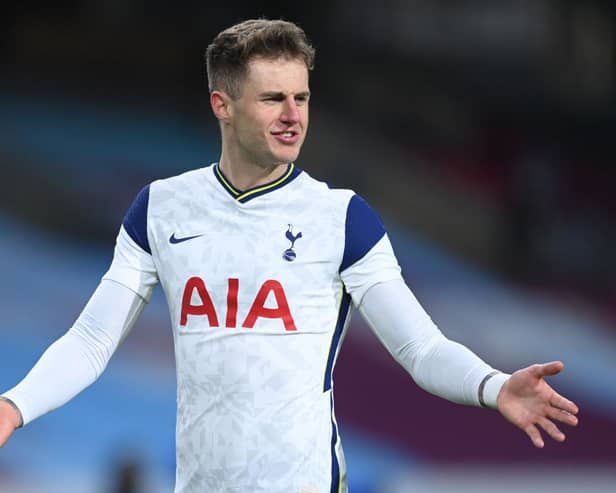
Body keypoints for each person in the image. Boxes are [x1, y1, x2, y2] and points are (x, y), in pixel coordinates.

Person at [0, 19, 579, 493]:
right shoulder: (160, 209)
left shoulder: (341, 217)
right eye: (273, 98)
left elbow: (420, 347)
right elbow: (91, 341)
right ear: (221, 104)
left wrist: (493, 385)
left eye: (301, 97)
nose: (293, 114)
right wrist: (14, 405)